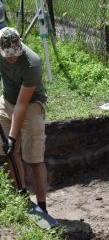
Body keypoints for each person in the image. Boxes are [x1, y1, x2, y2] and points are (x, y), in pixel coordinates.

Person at [0, 27, 49, 213]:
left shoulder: (32, 63)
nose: (12, 59)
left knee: (34, 158)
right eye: (8, 55)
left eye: (15, 54)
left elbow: (22, 104)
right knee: (8, 154)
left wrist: (12, 137)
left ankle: (42, 206)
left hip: (31, 105)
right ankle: (22, 199)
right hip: (7, 100)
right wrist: (10, 141)